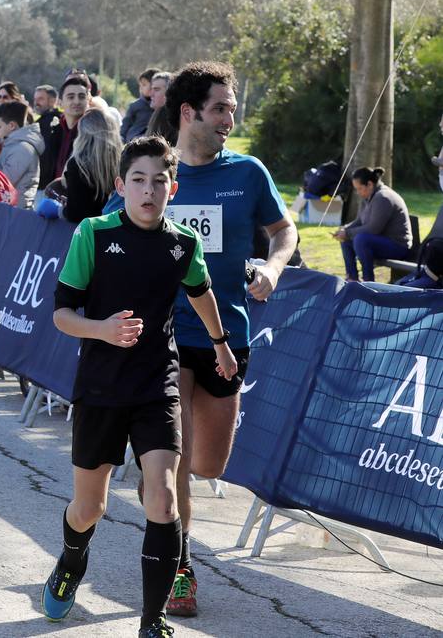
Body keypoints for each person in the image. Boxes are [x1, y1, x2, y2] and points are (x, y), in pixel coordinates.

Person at [108, 61, 296, 619]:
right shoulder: (155, 172)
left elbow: (284, 231)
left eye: (232, 110)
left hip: (224, 336)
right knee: (172, 462)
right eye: (220, 109)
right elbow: (105, 230)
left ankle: (165, 507)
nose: (229, 120)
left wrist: (274, 268)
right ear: (188, 112)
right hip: (159, 337)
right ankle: (178, 563)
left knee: (209, 464)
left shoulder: (248, 173)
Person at [43, 135, 235, 638]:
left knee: (164, 499)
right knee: (90, 508)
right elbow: (62, 314)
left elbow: (201, 291)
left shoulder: (183, 243)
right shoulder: (94, 233)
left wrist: (220, 344)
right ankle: (70, 559)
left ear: (172, 188)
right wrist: (102, 329)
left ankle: (153, 620)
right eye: (138, 180)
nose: (148, 191)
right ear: (120, 185)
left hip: (158, 385)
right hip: (102, 387)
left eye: (158, 182)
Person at [333, 166, 411, 281]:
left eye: (359, 188)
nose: (358, 192)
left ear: (369, 184)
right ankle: (352, 278)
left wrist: (348, 233)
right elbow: (359, 221)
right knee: (346, 239)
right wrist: (344, 229)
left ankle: (368, 281)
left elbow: (373, 229)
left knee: (360, 239)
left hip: (397, 246)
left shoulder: (383, 197)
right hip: (379, 241)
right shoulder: (368, 196)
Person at [61, 109, 124, 224]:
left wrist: (60, 210)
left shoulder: (78, 165)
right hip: (115, 230)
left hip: (87, 234)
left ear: (83, 134)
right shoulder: (124, 161)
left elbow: (76, 214)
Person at [40, 74, 91, 194]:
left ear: (88, 100)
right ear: (60, 102)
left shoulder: (93, 133)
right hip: (54, 199)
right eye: (71, 97)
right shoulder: (54, 131)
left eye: (81, 96)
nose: (76, 101)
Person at [0, 101, 42, 209]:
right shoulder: (12, 145)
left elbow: (3, 182)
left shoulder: (22, 149)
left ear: (11, 126)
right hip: (11, 208)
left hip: (17, 211)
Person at [120, 68, 159, 141]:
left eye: (144, 85)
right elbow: (125, 126)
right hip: (134, 140)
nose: (140, 88)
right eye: (140, 85)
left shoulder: (161, 107)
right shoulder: (135, 106)